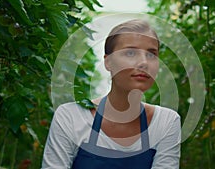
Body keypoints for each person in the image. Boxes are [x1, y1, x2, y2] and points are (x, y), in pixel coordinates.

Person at [42, 19, 181, 169]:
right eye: (130, 52)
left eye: (151, 54)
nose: (144, 63)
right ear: (108, 62)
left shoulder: (166, 122)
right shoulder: (71, 116)